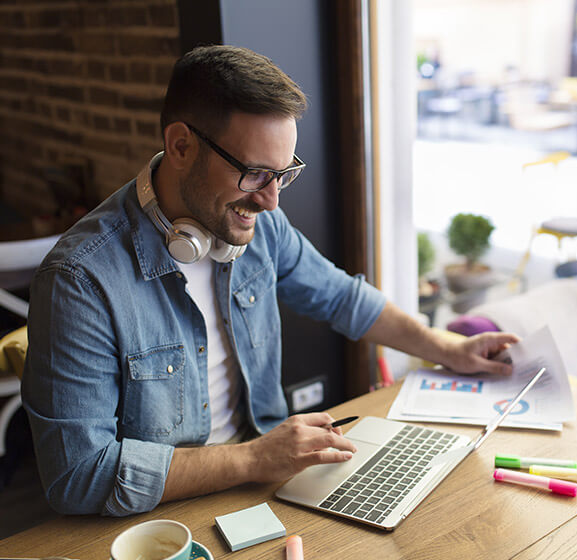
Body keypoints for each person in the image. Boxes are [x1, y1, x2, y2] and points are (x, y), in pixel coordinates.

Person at [22, 45, 517, 517]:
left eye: (284, 174)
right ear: (180, 146)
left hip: (265, 486)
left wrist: (447, 348)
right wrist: (254, 459)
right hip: (159, 520)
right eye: (256, 173)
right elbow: (78, 475)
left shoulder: (257, 226)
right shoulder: (79, 280)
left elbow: (343, 298)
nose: (272, 201)